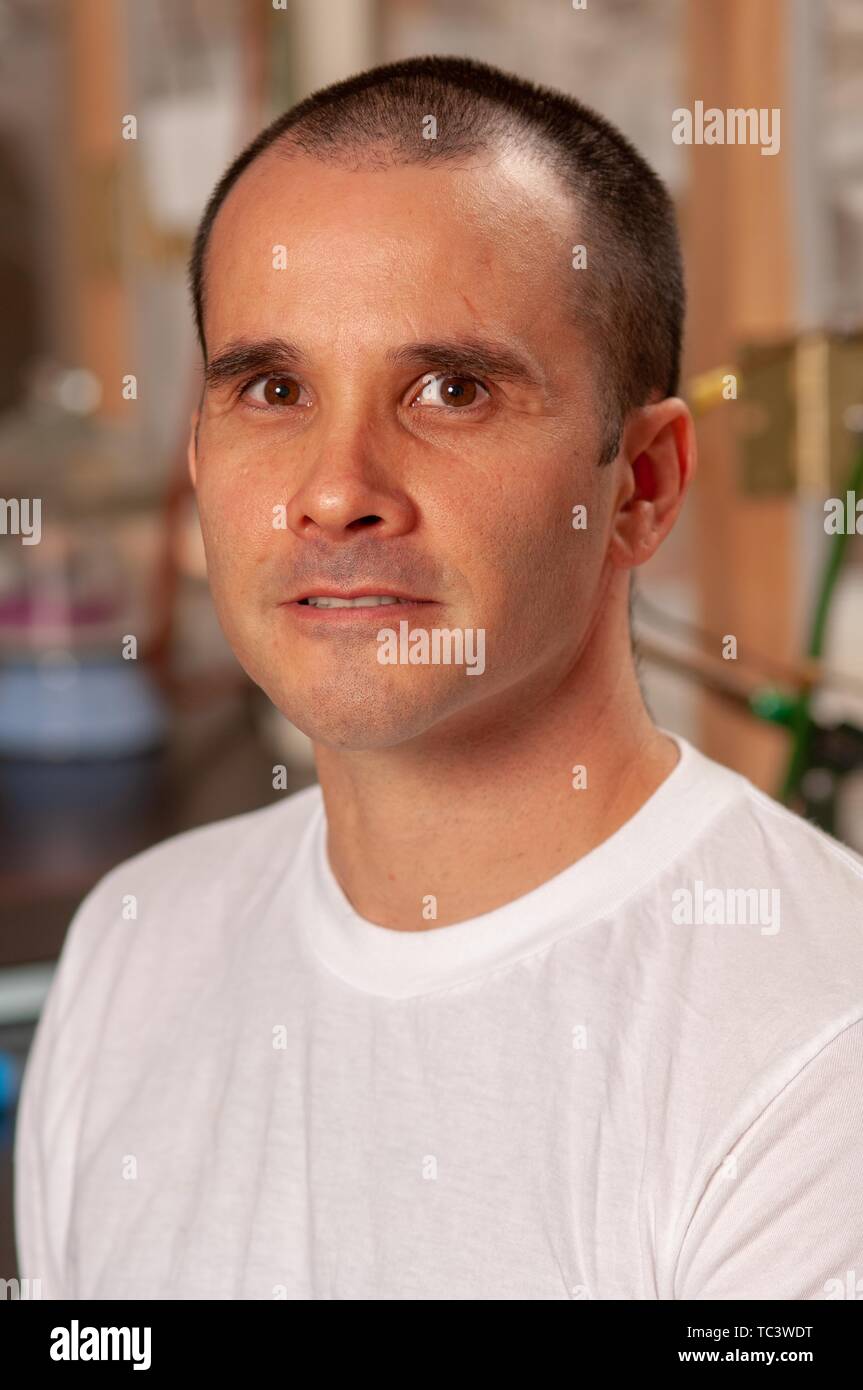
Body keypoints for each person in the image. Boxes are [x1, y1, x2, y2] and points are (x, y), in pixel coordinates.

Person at [15, 55, 863, 1301]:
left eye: (451, 389)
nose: (335, 487)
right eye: (272, 386)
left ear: (638, 487)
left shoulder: (810, 1046)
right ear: (197, 456)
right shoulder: (132, 948)